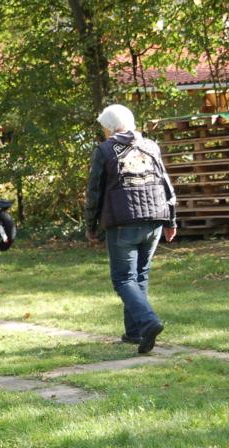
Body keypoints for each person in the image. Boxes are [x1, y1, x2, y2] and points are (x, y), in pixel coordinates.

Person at [84, 104, 177, 354]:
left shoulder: (104, 150)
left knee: (124, 279)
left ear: (110, 128)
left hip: (122, 221)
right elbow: (166, 185)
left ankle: (148, 322)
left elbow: (94, 193)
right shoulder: (151, 146)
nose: (104, 133)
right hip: (155, 218)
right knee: (140, 276)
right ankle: (135, 333)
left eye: (104, 128)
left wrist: (90, 226)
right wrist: (171, 221)